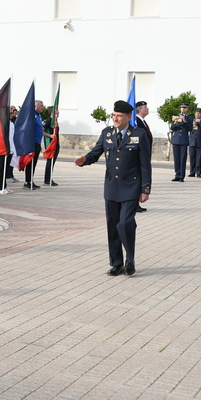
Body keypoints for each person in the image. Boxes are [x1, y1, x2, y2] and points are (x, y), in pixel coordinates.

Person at [74, 100, 152, 277]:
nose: (115, 119)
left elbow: (145, 164)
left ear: (128, 117)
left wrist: (145, 189)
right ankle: (116, 263)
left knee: (125, 223)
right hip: (111, 187)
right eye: (114, 115)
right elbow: (96, 153)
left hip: (131, 186)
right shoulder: (107, 133)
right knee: (112, 225)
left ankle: (130, 259)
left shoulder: (139, 134)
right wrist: (84, 160)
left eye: (119, 116)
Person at [169, 102, 192, 181]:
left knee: (182, 159)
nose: (183, 109)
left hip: (183, 140)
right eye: (182, 107)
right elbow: (172, 127)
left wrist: (184, 121)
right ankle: (177, 175)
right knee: (176, 159)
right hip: (176, 140)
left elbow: (190, 128)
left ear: (187, 109)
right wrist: (176, 124)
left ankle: (182, 176)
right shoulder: (176, 117)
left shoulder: (189, 118)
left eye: (185, 108)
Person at [187, 107, 201, 178]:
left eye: (199, 113)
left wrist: (199, 123)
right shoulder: (192, 121)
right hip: (192, 142)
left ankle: (198, 172)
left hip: (200, 142)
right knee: (192, 158)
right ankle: (192, 172)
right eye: (196, 113)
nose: (197, 114)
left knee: (199, 158)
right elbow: (188, 128)